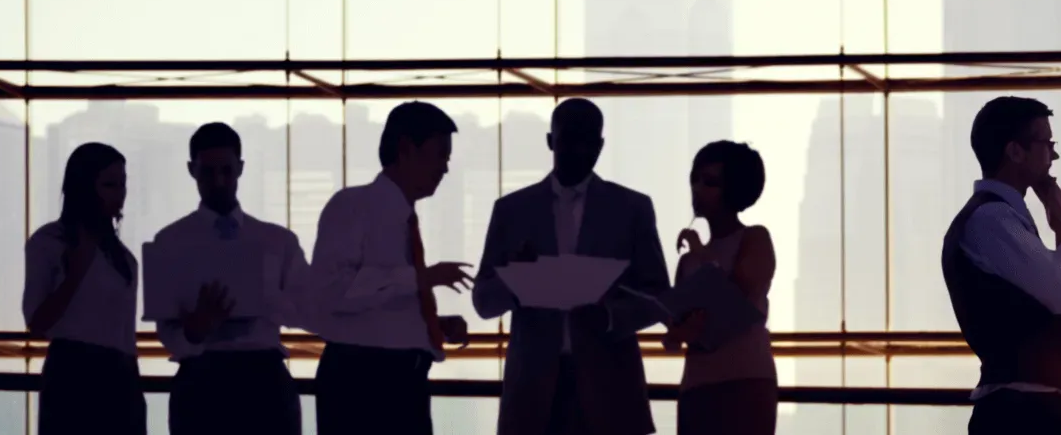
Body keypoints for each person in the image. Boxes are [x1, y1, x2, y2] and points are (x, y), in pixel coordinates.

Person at [472, 98, 668, 435]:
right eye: (568, 140)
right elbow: (483, 301)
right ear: (550, 141)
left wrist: (608, 316)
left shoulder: (631, 209)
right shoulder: (512, 211)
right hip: (533, 393)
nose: (578, 150)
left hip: (610, 389)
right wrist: (518, 284)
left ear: (601, 145)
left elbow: (658, 297)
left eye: (588, 141)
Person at [304, 101, 474, 435]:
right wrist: (421, 279)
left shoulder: (402, 216)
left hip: (403, 380)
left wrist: (429, 323)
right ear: (407, 149)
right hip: (362, 381)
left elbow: (371, 308)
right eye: (440, 154)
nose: (445, 168)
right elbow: (333, 293)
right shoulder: (351, 207)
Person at [941, 96, 1061, 435]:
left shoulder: (998, 217)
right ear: (1015, 151)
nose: (1053, 155)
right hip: (1020, 415)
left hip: (1022, 409)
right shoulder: (992, 219)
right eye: (1046, 143)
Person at [152, 123, 310, 435]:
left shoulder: (279, 242)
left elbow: (308, 309)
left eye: (226, 170)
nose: (219, 181)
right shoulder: (168, 243)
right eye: (208, 172)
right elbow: (165, 331)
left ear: (240, 168)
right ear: (191, 170)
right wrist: (194, 333)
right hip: (203, 377)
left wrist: (266, 300)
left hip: (261, 377)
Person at [22, 142, 145, 435]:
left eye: (122, 184)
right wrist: (75, 275)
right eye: (109, 184)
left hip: (123, 376)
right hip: (74, 375)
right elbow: (37, 322)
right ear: (84, 187)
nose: (120, 193)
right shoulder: (50, 242)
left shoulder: (121, 254)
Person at [663, 140, 779, 435]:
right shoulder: (688, 261)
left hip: (745, 381)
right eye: (695, 179)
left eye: (710, 182)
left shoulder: (755, 238)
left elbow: (736, 300)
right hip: (697, 384)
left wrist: (703, 256)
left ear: (734, 188)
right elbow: (682, 333)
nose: (697, 188)